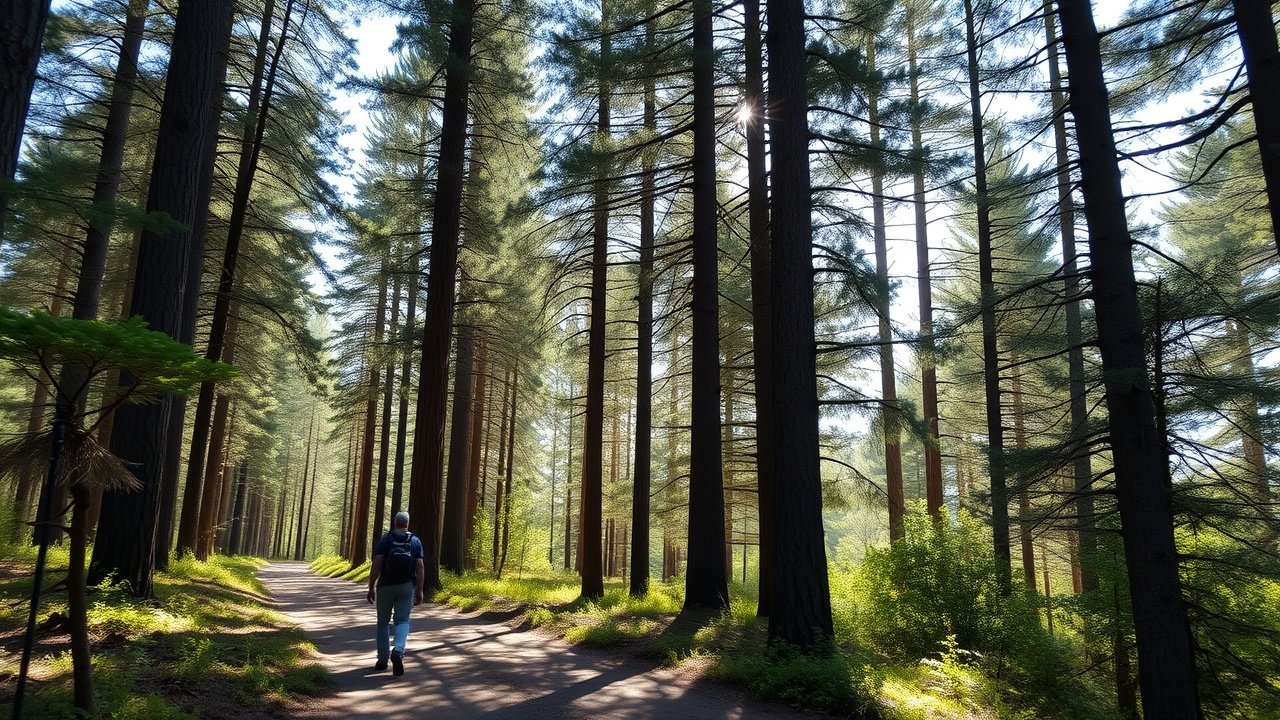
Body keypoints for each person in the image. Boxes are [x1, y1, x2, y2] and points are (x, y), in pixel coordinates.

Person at [367, 511, 425, 676]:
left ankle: (382, 660)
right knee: (402, 620)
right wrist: (420, 590)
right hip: (407, 586)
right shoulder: (414, 541)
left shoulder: (386, 540)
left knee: (383, 622)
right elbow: (420, 566)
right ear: (407, 524)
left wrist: (371, 586)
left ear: (395, 523)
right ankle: (398, 650)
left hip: (385, 585)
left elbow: (377, 563)